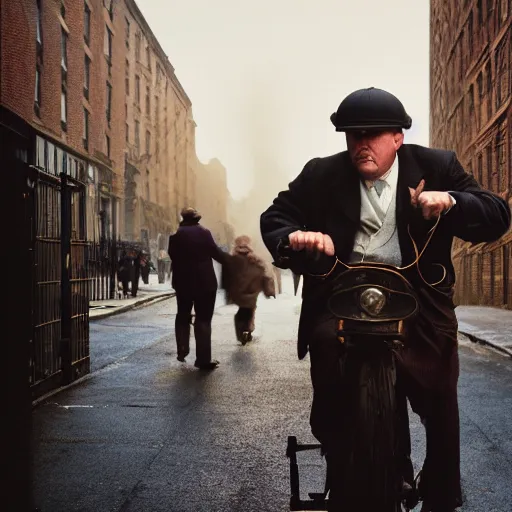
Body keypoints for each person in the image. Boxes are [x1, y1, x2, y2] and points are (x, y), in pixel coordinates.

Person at [260, 87, 511, 512]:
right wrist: (293, 237)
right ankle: (340, 450)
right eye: (352, 134)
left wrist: (451, 201)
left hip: (418, 293)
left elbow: (496, 214)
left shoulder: (436, 165)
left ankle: (443, 489)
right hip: (341, 290)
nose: (361, 143)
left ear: (398, 137)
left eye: (373, 134)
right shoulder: (322, 173)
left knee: (440, 375)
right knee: (326, 347)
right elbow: (277, 215)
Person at [168, 207, 226, 370]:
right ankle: (203, 359)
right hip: (204, 282)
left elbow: (172, 255)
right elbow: (216, 253)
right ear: (197, 219)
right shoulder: (204, 233)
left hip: (183, 282)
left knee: (182, 315)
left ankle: (182, 350)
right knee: (203, 320)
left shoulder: (176, 236)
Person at [222, 235, 276, 344]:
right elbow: (265, 275)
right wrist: (269, 290)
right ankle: (247, 329)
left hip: (237, 292)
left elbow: (226, 276)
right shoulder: (255, 260)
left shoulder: (231, 259)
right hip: (252, 291)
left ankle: (242, 331)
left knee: (242, 311)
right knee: (249, 310)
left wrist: (227, 289)